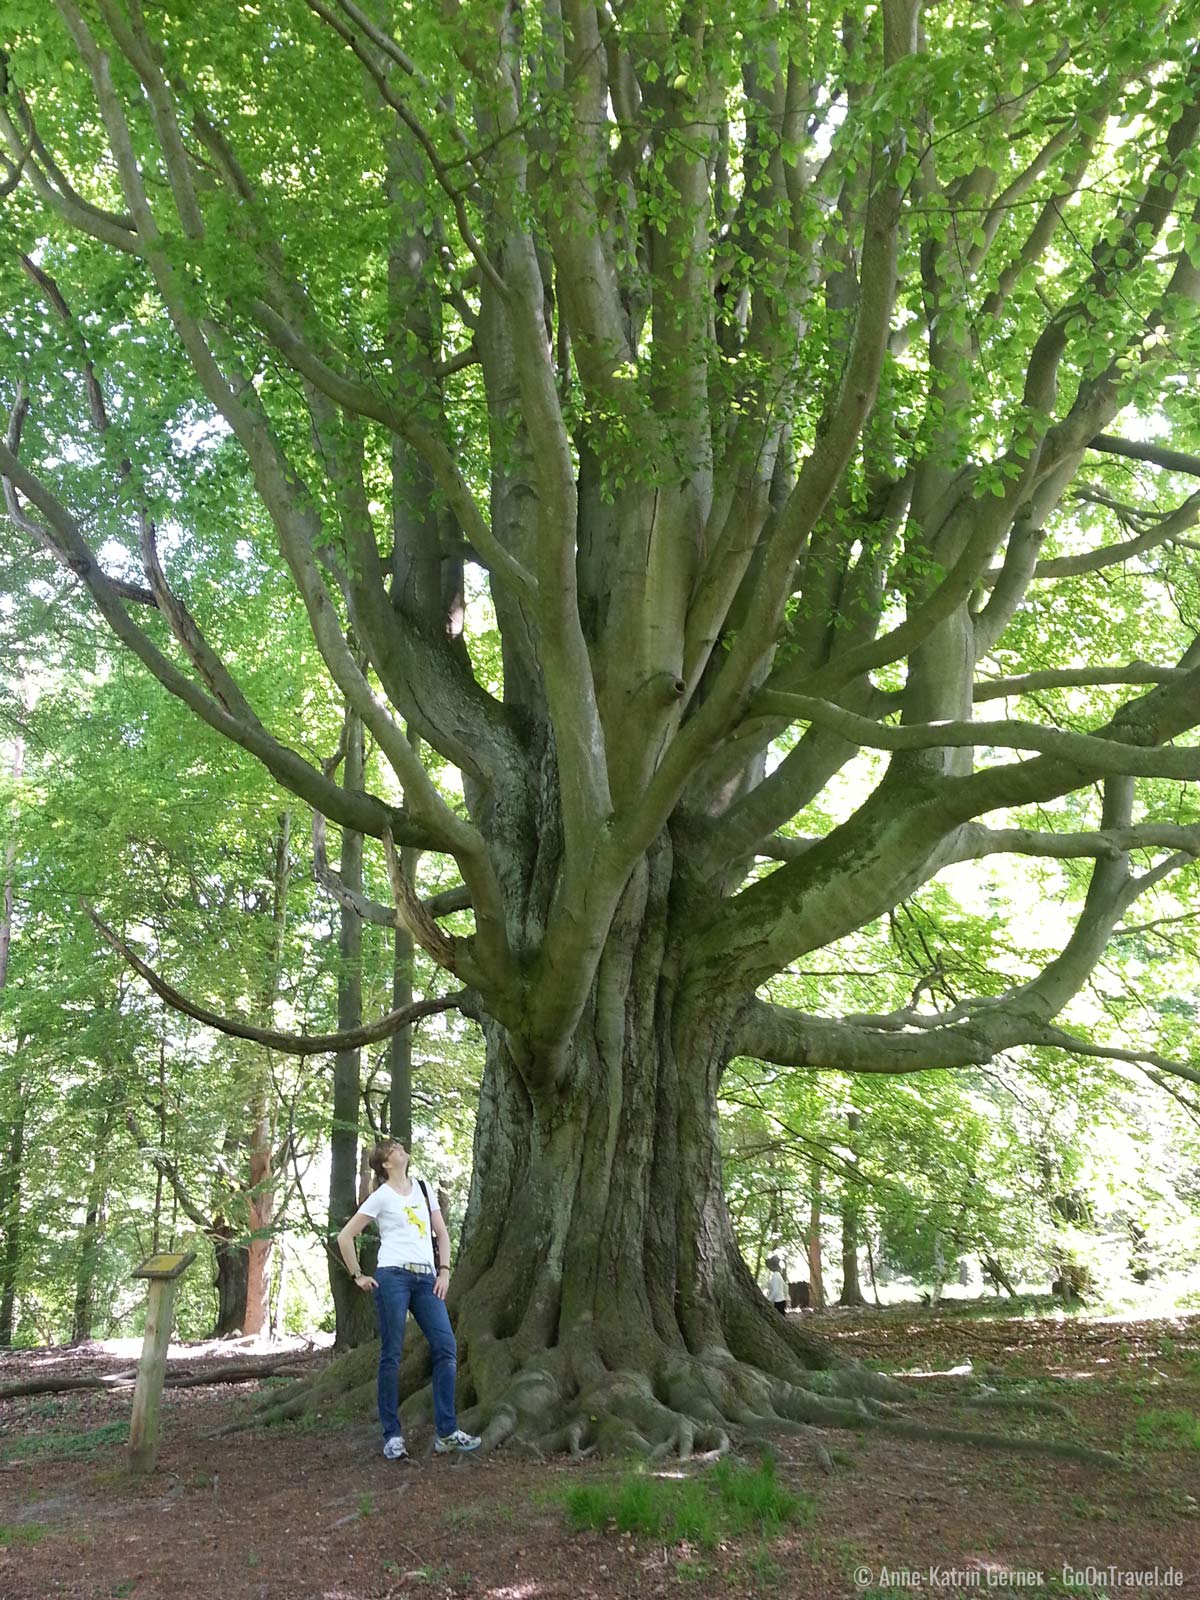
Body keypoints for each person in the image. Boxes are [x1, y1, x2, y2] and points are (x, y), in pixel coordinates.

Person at [337, 1138, 480, 1460]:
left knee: (446, 1347)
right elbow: (345, 1236)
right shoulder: (381, 1196)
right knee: (392, 1353)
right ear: (386, 1164)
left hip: (426, 1279)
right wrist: (357, 1275)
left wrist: (444, 1271)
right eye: (395, 1150)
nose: (402, 1150)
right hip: (392, 1277)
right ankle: (392, 1435)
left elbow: (441, 1232)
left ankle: (447, 1431)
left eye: (401, 1147)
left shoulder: (423, 1188)